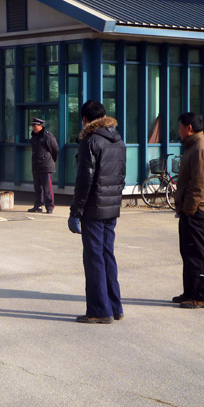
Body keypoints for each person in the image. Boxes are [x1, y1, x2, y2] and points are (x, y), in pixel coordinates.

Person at [68, 101, 127, 324]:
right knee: (107, 256)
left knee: (94, 259)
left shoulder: (90, 141)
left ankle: (99, 311)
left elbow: (85, 180)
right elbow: (121, 175)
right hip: (111, 208)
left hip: (93, 209)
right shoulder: (118, 140)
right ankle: (115, 306)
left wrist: (76, 211)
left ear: (85, 119)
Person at [172, 112, 204, 309]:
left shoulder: (200, 149)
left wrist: (189, 209)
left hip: (197, 212)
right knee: (188, 252)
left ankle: (203, 295)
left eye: (180, 126)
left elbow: (199, 185)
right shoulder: (193, 147)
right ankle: (190, 291)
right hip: (190, 211)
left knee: (198, 254)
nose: (178, 130)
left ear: (189, 127)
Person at [28, 117, 59, 214]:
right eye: (32, 125)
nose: (33, 127)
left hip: (46, 166)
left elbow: (55, 150)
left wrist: (50, 161)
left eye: (35, 125)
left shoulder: (47, 136)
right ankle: (38, 206)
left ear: (41, 126)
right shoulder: (34, 137)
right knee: (37, 188)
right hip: (36, 165)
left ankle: (49, 207)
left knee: (47, 188)